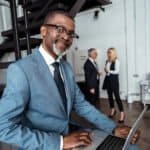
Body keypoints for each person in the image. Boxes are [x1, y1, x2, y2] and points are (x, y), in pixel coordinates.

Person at [0, 11, 139, 150]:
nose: (66, 36)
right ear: (43, 31)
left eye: (71, 33)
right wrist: (60, 143)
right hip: (46, 144)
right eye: (60, 29)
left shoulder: (66, 67)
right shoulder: (21, 70)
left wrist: (113, 128)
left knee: (130, 147)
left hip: (71, 133)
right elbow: (3, 126)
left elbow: (82, 105)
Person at [103, 47, 125, 123]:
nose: (109, 53)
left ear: (114, 53)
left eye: (110, 52)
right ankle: (113, 110)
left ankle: (122, 113)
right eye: (108, 52)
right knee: (110, 96)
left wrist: (108, 70)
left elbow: (116, 72)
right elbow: (106, 70)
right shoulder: (107, 61)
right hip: (108, 80)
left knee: (117, 97)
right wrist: (106, 70)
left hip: (114, 81)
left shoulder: (117, 61)